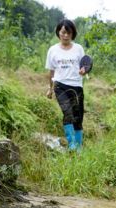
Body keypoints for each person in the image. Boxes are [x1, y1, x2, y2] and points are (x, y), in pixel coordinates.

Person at [45, 19, 87, 150]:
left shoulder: (78, 48)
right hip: (60, 86)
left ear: (72, 33)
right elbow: (51, 71)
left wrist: (84, 70)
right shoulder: (53, 50)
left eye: (69, 32)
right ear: (58, 32)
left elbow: (85, 66)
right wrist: (50, 89)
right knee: (67, 112)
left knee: (78, 116)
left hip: (76, 86)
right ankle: (72, 144)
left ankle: (79, 146)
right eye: (63, 32)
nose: (66, 35)